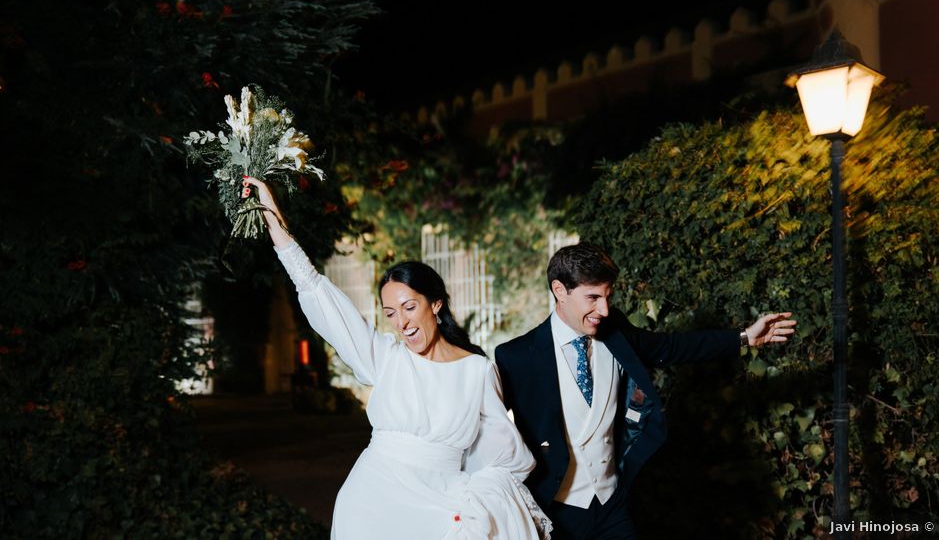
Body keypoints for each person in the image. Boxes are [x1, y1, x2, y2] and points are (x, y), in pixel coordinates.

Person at [242, 177, 551, 540]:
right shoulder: (385, 357)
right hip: (372, 501)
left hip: (441, 506)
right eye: (390, 313)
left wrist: (478, 502)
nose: (401, 323)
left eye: (409, 307)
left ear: (435, 304)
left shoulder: (477, 371)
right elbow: (313, 288)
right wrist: (272, 216)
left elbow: (500, 455)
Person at [494, 242, 796, 540]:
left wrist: (743, 338)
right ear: (560, 290)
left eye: (608, 296)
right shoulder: (517, 357)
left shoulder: (615, 331)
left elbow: (670, 347)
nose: (604, 309)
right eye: (593, 297)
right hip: (555, 512)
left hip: (613, 504)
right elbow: (486, 428)